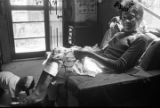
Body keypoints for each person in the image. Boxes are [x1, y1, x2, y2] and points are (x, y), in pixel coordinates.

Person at [14, 0, 148, 106]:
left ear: (140, 18)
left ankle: (40, 95)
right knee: (58, 51)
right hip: (95, 61)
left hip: (103, 69)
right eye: (124, 17)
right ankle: (44, 98)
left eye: (131, 18)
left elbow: (120, 66)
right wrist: (87, 50)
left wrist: (89, 54)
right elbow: (103, 51)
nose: (127, 21)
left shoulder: (140, 39)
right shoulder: (119, 33)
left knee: (58, 61)